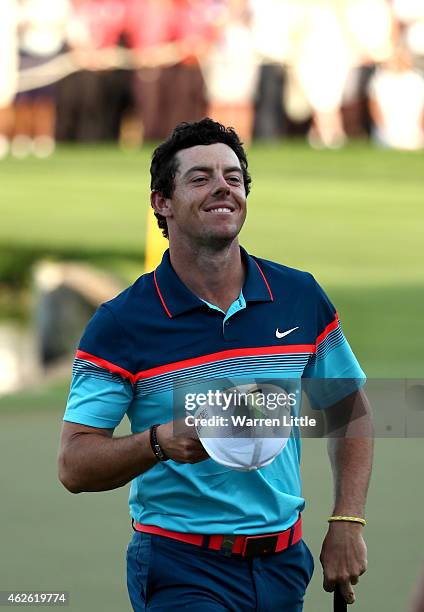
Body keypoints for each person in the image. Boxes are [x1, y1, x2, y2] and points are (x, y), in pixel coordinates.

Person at [58, 118, 374, 611]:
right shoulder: (122, 322)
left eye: (233, 177)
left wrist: (347, 521)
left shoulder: (298, 296)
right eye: (200, 177)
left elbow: (348, 409)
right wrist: (161, 442)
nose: (222, 187)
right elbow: (74, 464)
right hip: (181, 567)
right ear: (161, 203)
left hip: (285, 564)